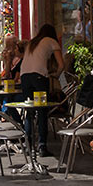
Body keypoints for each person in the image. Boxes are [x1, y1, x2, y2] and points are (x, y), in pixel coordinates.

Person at [19, 23, 65, 156]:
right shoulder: (51, 41)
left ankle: (28, 145)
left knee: (29, 110)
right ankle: (42, 146)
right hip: (39, 77)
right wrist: (56, 75)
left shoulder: (33, 42)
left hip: (25, 77)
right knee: (42, 111)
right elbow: (61, 64)